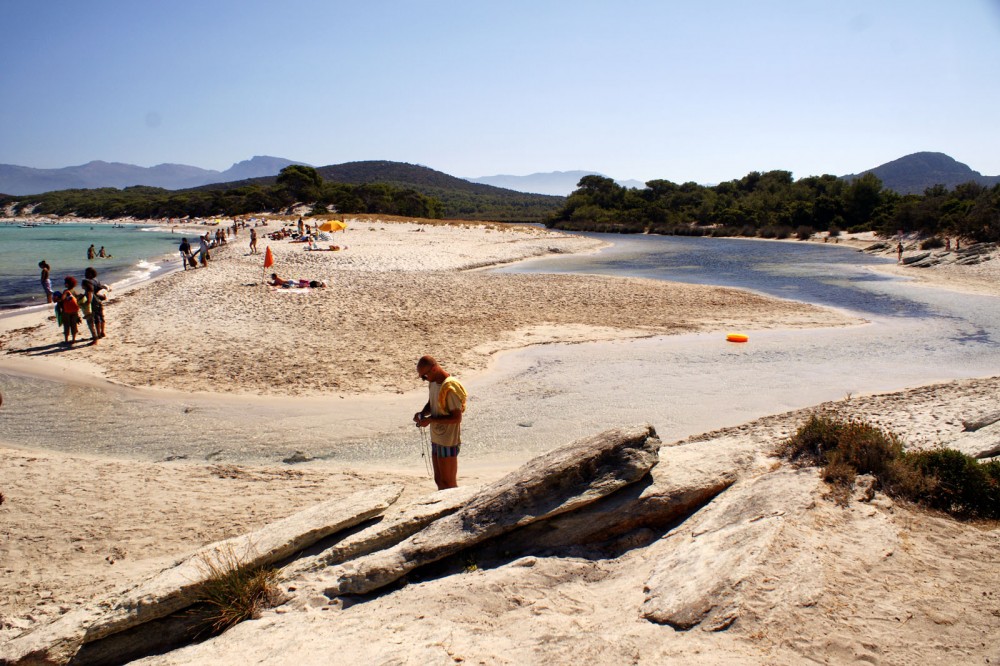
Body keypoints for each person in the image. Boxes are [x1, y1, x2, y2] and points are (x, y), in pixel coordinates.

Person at [412, 355, 467, 489]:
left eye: (424, 376)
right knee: (439, 480)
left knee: (448, 482)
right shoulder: (433, 383)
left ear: (434, 369)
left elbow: (456, 418)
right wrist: (422, 414)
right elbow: (432, 403)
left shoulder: (450, 387)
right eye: (422, 377)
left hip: (448, 440)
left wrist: (431, 420)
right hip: (436, 437)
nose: (425, 380)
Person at [82, 267, 109, 340]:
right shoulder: (96, 280)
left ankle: (98, 334)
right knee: (101, 317)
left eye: (86, 273)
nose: (85, 274)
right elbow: (100, 289)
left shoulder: (88, 282)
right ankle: (102, 332)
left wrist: (87, 302)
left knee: (96, 318)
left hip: (94, 302)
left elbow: (89, 293)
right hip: (99, 300)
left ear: (90, 274)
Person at [59, 276, 81, 345]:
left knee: (66, 325)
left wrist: (58, 299)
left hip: (66, 311)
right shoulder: (74, 291)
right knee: (74, 325)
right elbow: (77, 299)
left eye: (65, 282)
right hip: (74, 311)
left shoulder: (66, 291)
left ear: (67, 284)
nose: (64, 284)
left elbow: (62, 299)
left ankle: (66, 340)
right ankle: (73, 339)